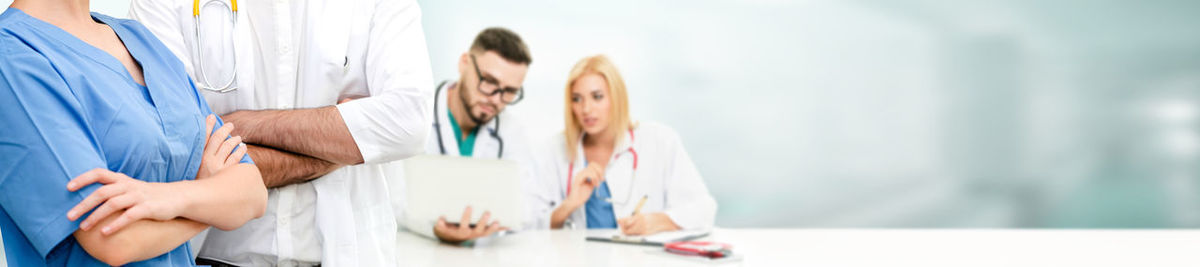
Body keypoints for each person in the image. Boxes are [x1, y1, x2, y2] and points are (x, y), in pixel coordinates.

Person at [129, 0, 433, 265]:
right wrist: (338, 148)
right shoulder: (162, 3)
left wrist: (246, 124)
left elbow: (409, 121)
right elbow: (178, 157)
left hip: (348, 254)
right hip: (208, 256)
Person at [0, 0, 267, 265]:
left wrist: (168, 198)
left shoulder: (140, 40)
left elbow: (252, 193)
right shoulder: (11, 55)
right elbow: (115, 240)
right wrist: (211, 201)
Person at [380, 27, 538, 243]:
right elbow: (390, 198)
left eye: (509, 91)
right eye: (489, 82)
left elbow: (527, 206)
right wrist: (434, 226)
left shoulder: (512, 130)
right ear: (464, 63)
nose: (496, 99)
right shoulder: (412, 115)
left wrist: (490, 225)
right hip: (418, 251)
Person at [530, 55, 717, 235]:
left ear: (616, 97)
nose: (586, 109)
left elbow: (703, 209)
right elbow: (529, 227)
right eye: (577, 99)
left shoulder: (660, 140)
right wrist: (569, 205)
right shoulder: (554, 150)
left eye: (597, 97)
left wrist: (657, 222)